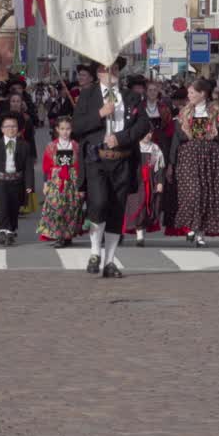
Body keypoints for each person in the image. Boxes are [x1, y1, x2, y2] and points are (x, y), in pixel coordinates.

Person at [72, 58, 151, 277]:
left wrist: (122, 138)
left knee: (117, 209)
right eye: (107, 69)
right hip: (96, 160)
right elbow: (76, 128)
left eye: (115, 69)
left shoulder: (131, 96)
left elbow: (144, 124)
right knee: (98, 203)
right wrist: (99, 115)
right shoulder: (87, 95)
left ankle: (109, 261)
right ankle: (95, 251)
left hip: (122, 159)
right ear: (98, 72)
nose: (112, 73)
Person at [166, 78, 219, 247]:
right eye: (189, 93)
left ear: (203, 94)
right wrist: (171, 164)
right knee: (192, 194)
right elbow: (176, 140)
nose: (189, 96)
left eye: (192, 93)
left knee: (206, 195)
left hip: (211, 158)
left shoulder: (215, 112)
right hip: (189, 157)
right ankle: (191, 226)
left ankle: (200, 233)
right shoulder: (185, 113)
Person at [0, 114, 33, 246]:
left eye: (14, 126)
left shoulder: (24, 145)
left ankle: (11, 230)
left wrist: (29, 185)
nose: (11, 129)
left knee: (14, 207)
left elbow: (28, 167)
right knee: (2, 205)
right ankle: (2, 230)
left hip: (17, 181)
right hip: (0, 180)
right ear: (2, 129)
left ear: (18, 129)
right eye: (8, 126)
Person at [38, 116, 85, 248]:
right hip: (56, 181)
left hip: (72, 181)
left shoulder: (76, 146)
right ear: (57, 130)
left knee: (71, 208)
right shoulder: (51, 146)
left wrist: (82, 186)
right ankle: (59, 235)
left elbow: (81, 167)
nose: (65, 132)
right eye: (62, 129)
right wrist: (46, 183)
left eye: (68, 129)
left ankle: (68, 234)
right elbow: (46, 167)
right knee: (57, 207)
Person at [124, 130, 166, 247]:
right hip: (136, 181)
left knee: (149, 206)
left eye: (150, 133)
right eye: (145, 132)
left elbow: (159, 167)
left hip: (150, 180)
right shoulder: (134, 147)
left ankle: (141, 231)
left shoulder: (154, 149)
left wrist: (160, 182)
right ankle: (139, 234)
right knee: (137, 206)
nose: (148, 135)